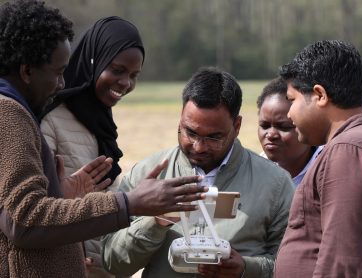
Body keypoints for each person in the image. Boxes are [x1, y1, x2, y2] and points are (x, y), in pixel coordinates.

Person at [0, 1, 207, 277]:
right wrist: (129, 203)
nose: (62, 84)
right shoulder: (10, 114)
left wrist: (61, 195)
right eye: (59, 72)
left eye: (133, 75)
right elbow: (23, 221)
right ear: (27, 71)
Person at [102, 67, 295, 278]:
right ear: (181, 118)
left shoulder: (275, 184)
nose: (199, 146)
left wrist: (245, 269)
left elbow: (291, 266)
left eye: (214, 137)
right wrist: (155, 221)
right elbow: (113, 262)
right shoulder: (147, 174)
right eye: (190, 132)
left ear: (237, 125)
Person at [274, 40, 362, 277]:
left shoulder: (349, 150)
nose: (289, 113)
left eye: (292, 100)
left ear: (320, 95)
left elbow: (341, 260)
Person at [40, 16, 145, 277]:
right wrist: (66, 254)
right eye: (118, 70)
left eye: (134, 75)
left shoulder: (100, 119)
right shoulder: (50, 118)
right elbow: (33, 212)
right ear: (92, 61)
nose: (126, 83)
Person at [257, 77, 323, 186]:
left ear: (308, 124)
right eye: (264, 126)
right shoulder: (256, 171)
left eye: (283, 127)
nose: (271, 135)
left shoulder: (327, 168)